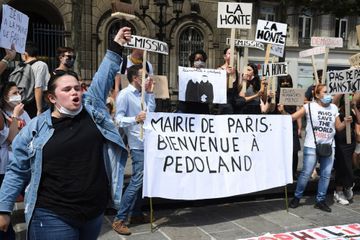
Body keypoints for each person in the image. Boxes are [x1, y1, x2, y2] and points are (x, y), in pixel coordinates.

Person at [0, 26, 131, 240]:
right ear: (52, 98)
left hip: (93, 213)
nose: (75, 93)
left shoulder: (92, 110)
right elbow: (18, 170)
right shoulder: (35, 129)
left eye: (77, 88)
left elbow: (103, 76)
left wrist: (116, 45)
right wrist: (4, 208)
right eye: (67, 90)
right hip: (52, 215)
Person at [284, 84, 352, 212]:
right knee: (306, 173)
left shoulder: (333, 108)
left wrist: (345, 122)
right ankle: (297, 197)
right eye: (325, 92)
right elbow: (293, 117)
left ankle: (320, 200)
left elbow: (338, 128)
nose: (328, 95)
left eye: (329, 93)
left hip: (329, 146)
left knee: (326, 175)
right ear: (317, 95)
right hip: (311, 146)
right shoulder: (309, 106)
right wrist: (282, 111)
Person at [112, 64, 155, 236]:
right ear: (135, 78)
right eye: (145, 76)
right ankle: (119, 219)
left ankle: (136, 214)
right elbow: (119, 120)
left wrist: (150, 94)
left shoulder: (146, 93)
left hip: (148, 142)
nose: (148, 78)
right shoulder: (125, 95)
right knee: (137, 179)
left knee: (142, 180)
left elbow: (151, 112)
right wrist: (135, 119)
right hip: (137, 144)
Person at [332, 94, 360, 205]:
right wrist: (342, 91)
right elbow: (334, 102)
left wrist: (355, 107)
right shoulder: (336, 110)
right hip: (340, 142)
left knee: (349, 166)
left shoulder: (352, 110)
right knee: (342, 166)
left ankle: (348, 186)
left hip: (351, 142)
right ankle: (339, 191)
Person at [277, 75, 302, 179]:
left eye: (288, 81)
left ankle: (293, 172)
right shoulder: (276, 94)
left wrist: (300, 127)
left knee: (294, 150)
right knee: (281, 150)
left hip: (293, 125)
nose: (285, 83)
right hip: (280, 126)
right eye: (283, 81)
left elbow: (298, 110)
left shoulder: (294, 94)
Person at [20, 42, 50, 117]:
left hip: (21, 102)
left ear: (25, 54)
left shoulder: (20, 66)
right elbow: (38, 87)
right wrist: (39, 109)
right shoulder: (40, 65)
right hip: (34, 103)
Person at [177, 49, 210, 114]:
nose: (199, 61)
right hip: (187, 107)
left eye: (201, 60)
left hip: (202, 107)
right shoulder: (186, 74)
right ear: (192, 62)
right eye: (197, 60)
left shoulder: (207, 75)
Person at [217, 47, 238, 114]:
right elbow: (221, 91)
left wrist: (244, 81)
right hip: (223, 106)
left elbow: (238, 90)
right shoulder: (219, 70)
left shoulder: (237, 72)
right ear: (225, 56)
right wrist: (228, 75)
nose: (232, 56)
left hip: (234, 105)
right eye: (229, 53)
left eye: (234, 53)